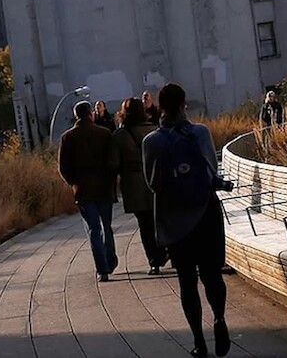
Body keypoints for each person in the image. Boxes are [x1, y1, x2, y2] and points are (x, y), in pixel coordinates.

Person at [143, 83, 230, 358]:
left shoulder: (151, 142)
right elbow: (211, 171)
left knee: (187, 281)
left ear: (160, 107)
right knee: (212, 274)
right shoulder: (201, 133)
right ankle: (219, 318)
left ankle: (198, 342)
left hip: (175, 220)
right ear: (184, 104)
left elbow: (152, 184)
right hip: (206, 214)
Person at [58, 101, 120, 282]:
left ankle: (102, 269)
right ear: (91, 114)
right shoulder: (105, 134)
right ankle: (110, 260)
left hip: (83, 190)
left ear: (76, 116)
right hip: (104, 188)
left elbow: (63, 167)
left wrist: (74, 183)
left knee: (93, 229)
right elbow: (113, 161)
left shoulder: (67, 137)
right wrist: (111, 179)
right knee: (106, 226)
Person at [113, 97, 168, 276]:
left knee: (144, 224)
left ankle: (154, 261)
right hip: (156, 179)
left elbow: (114, 162)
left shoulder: (120, 135)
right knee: (160, 219)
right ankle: (167, 251)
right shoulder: (154, 129)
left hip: (134, 183)